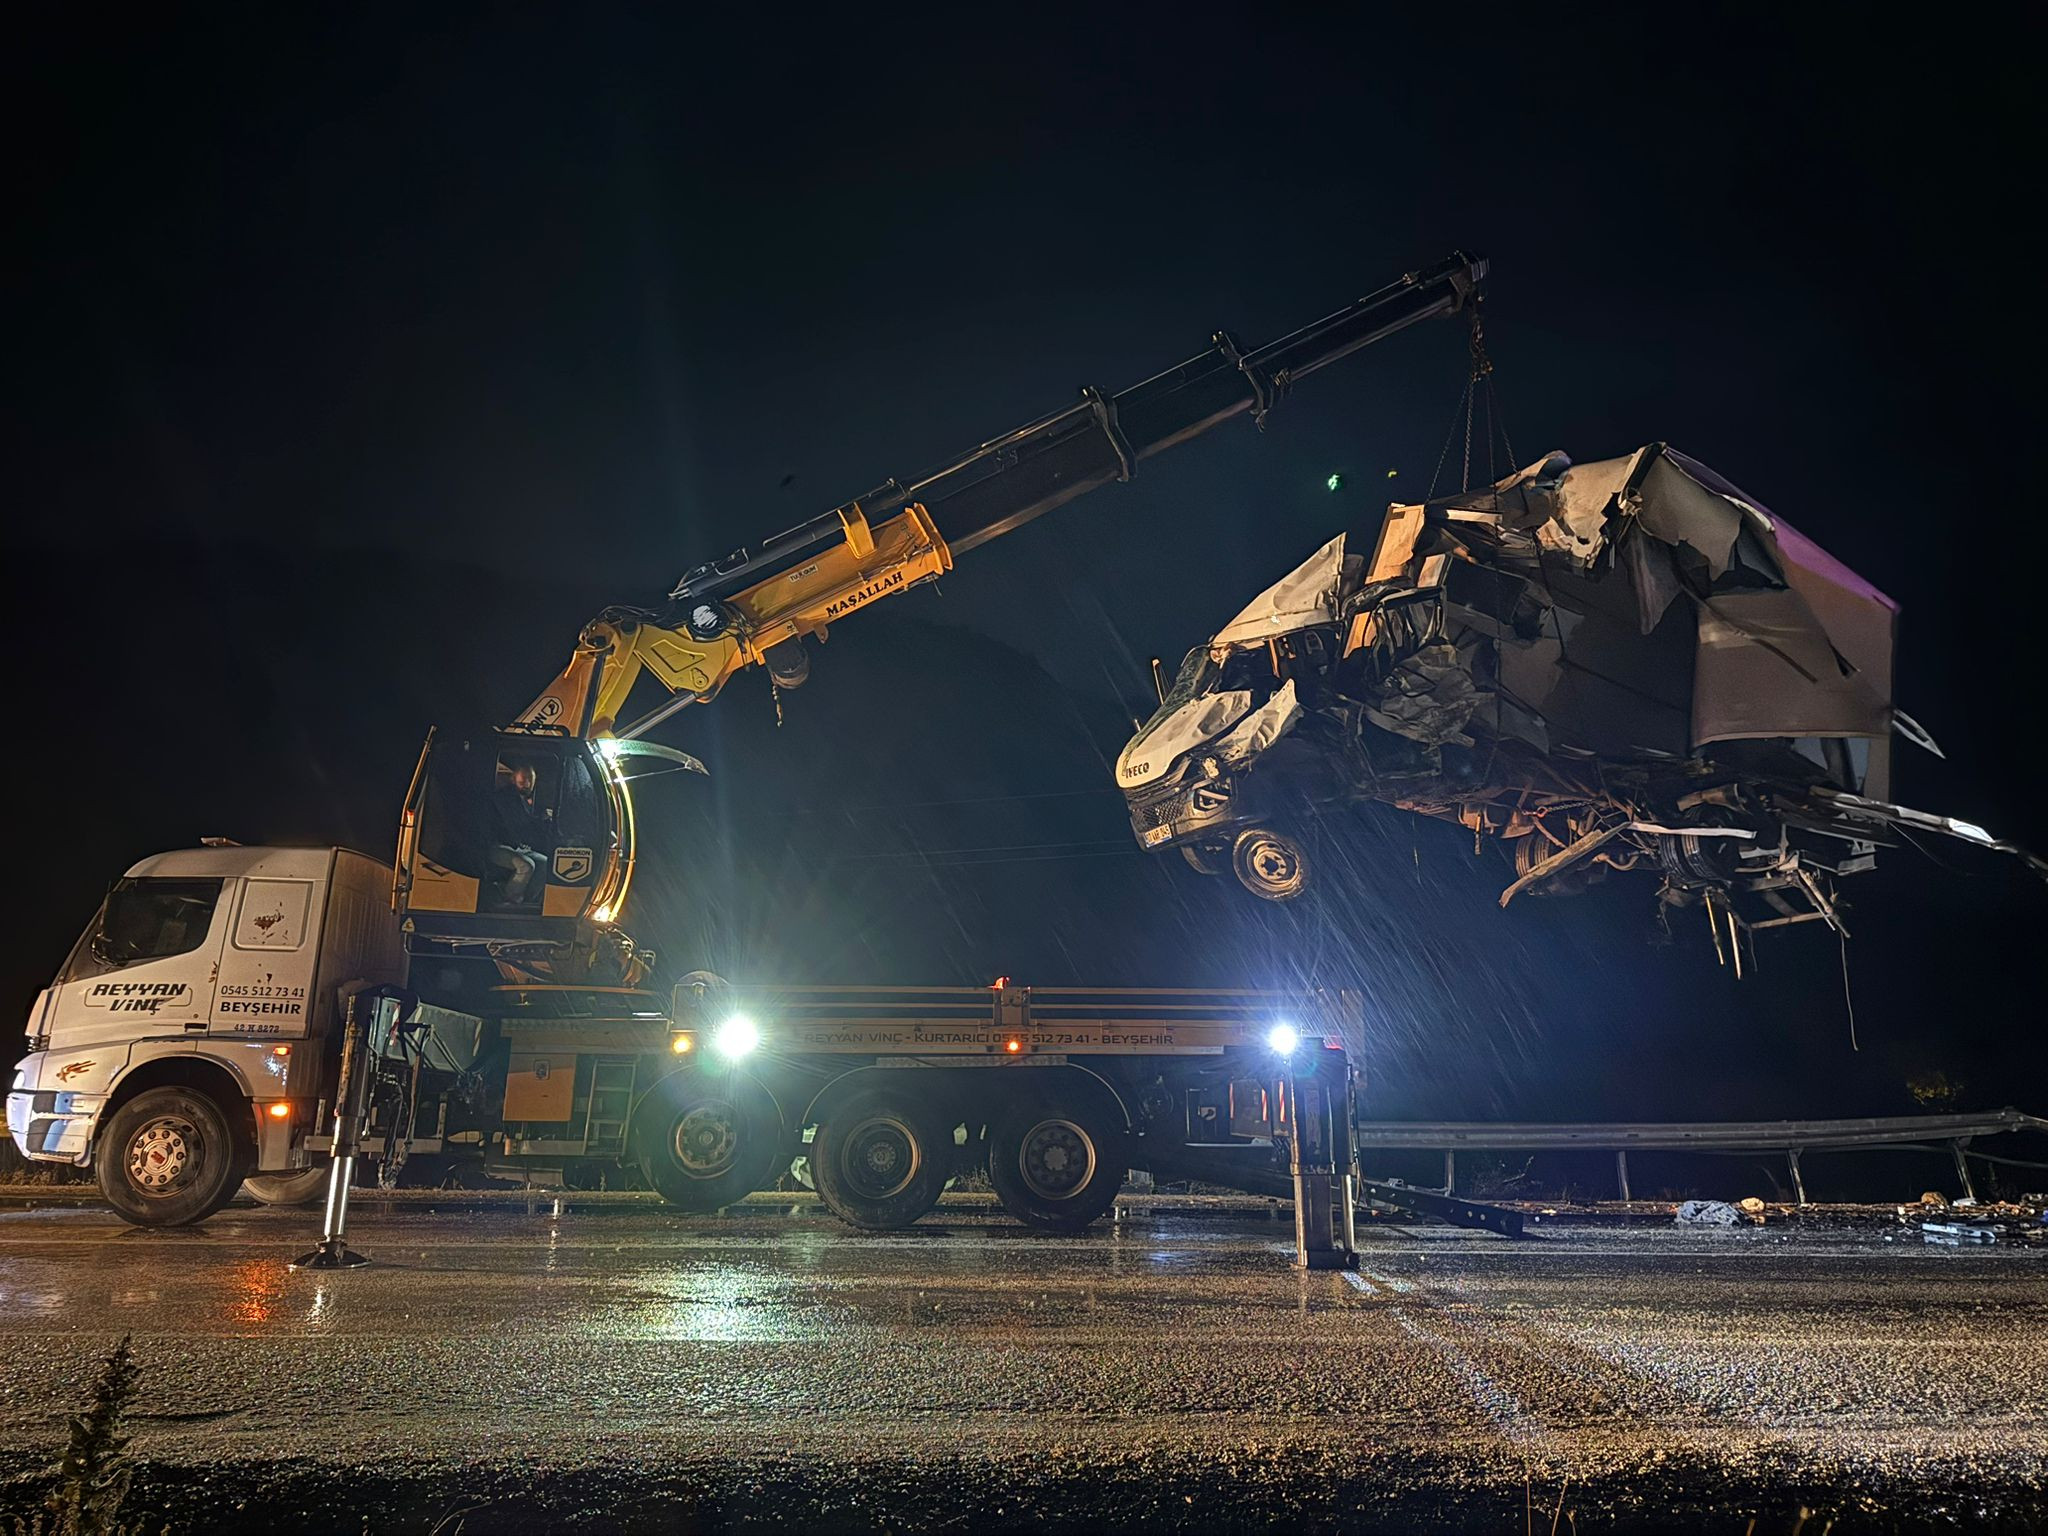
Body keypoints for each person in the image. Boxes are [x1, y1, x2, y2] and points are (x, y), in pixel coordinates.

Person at [486, 761, 551, 906]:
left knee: (545, 863)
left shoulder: (526, 800)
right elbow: (518, 822)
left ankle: (526, 902)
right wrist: (540, 818)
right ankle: (508, 901)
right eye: (523, 779)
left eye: (530, 779)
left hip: (517, 847)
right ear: (513, 779)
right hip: (496, 846)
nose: (527, 783)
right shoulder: (505, 798)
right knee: (526, 866)